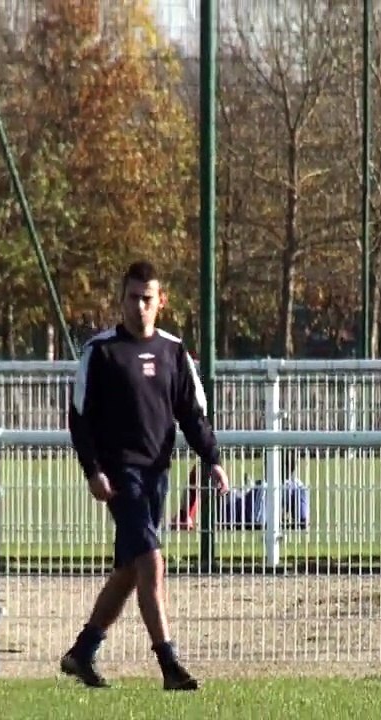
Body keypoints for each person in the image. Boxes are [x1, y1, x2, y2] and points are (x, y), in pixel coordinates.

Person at [62, 260, 230, 692]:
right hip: (121, 478)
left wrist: (211, 458)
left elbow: (192, 415)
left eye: (147, 299)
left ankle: (82, 652)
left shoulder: (174, 352)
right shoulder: (100, 352)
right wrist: (92, 472)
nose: (140, 306)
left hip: (157, 474)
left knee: (129, 571)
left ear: (161, 301)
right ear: (121, 299)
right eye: (133, 298)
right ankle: (170, 665)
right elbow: (79, 420)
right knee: (152, 562)